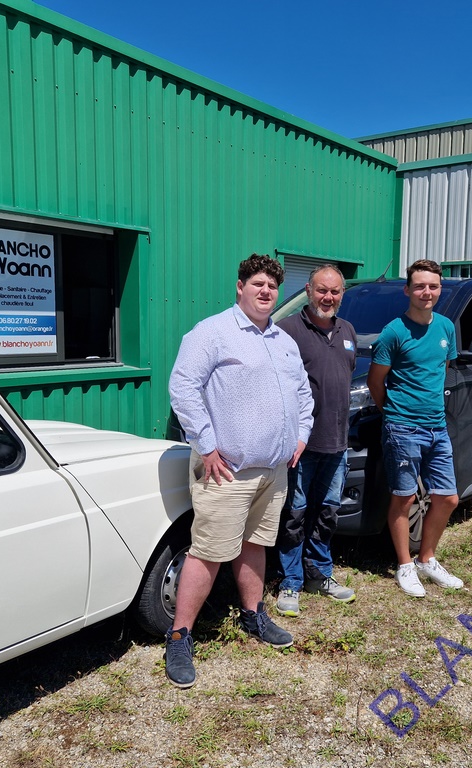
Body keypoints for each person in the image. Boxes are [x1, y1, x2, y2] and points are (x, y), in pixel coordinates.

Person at [165, 254, 314, 688]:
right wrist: (206, 445)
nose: (266, 291)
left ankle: (253, 615)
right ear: (240, 287)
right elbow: (183, 387)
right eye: (257, 284)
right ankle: (179, 636)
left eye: (272, 286)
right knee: (209, 552)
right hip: (226, 471)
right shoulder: (212, 332)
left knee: (256, 543)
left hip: (274, 469)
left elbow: (303, 395)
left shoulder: (282, 340)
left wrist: (300, 436)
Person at [366, 258, 465, 598]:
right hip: (403, 428)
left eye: (433, 286)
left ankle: (427, 559)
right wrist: (393, 413)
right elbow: (376, 381)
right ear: (407, 290)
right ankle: (405, 565)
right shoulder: (394, 332)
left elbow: (441, 369)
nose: (427, 292)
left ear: (440, 289)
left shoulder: (446, 328)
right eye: (420, 286)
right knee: (404, 497)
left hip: (437, 426)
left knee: (448, 498)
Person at [274, 265, 358, 617]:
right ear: (308, 290)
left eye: (335, 291)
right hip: (301, 445)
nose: (328, 297)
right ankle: (290, 581)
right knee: (294, 514)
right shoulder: (287, 330)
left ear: (342, 294)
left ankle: (319, 575)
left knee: (327, 513)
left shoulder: (347, 330)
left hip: (337, 443)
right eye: (322, 290)